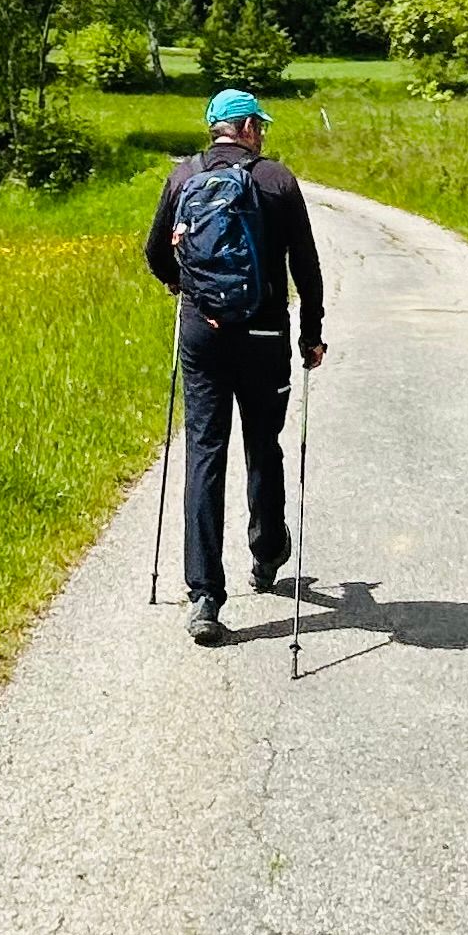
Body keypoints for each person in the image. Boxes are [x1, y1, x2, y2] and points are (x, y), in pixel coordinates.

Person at [143, 88, 330, 645]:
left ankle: (204, 595)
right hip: (266, 333)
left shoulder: (183, 177)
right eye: (260, 126)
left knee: (204, 452)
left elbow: (155, 253)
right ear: (246, 127)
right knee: (263, 443)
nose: (263, 134)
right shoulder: (277, 181)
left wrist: (185, 286)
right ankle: (268, 551)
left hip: (203, 334)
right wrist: (311, 336)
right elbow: (308, 267)